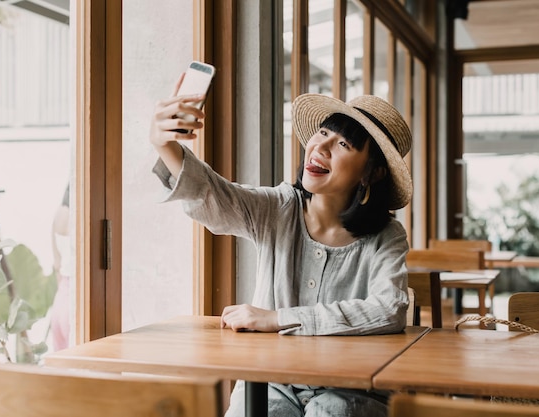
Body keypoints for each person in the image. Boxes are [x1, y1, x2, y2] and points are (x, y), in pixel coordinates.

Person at [149, 73, 413, 417]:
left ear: (373, 173)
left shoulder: (387, 235)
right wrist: (165, 144)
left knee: (330, 411)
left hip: (353, 389)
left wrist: (278, 319)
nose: (320, 147)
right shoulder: (279, 208)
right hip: (271, 383)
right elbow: (214, 195)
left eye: (344, 144)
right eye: (323, 133)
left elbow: (390, 308)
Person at [50, 184, 71, 351]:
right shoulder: (83, 213)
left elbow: (57, 266)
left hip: (61, 301)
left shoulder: (59, 216)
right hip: (77, 304)